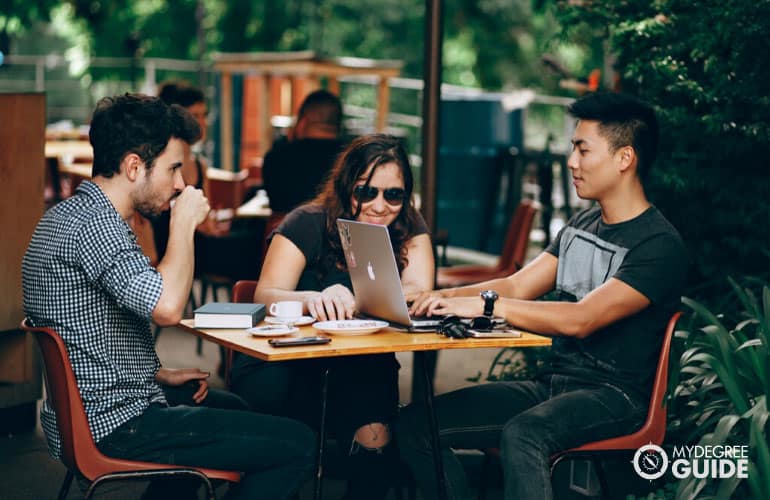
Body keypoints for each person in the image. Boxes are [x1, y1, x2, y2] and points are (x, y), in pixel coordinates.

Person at [22, 93, 314, 500]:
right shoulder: (96, 228)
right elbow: (168, 308)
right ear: (133, 167)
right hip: (115, 423)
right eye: (174, 168)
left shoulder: (68, 216)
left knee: (238, 410)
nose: (180, 183)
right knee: (298, 444)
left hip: (88, 411)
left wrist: (154, 374)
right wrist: (183, 226)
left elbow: (85, 332)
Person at [398, 92, 688, 500]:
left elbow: (582, 319)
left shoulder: (657, 245)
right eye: (573, 148)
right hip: (552, 385)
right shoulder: (583, 222)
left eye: (583, 150)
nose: (572, 162)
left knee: (525, 433)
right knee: (417, 426)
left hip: (615, 397)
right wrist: (436, 297)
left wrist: (484, 305)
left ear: (625, 159)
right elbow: (518, 285)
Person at [230, 134, 434, 499]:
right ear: (346, 188)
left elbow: (418, 290)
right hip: (287, 361)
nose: (379, 205)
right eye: (366, 192)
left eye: (394, 194)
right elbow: (264, 296)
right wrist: (314, 298)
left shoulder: (407, 226)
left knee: (375, 430)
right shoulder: (307, 222)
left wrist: (361, 299)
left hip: (357, 364)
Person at [262, 89, 347, 214]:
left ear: (303, 121)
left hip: (285, 231)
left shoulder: (276, 157)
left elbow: (275, 205)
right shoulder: (351, 158)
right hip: (335, 231)